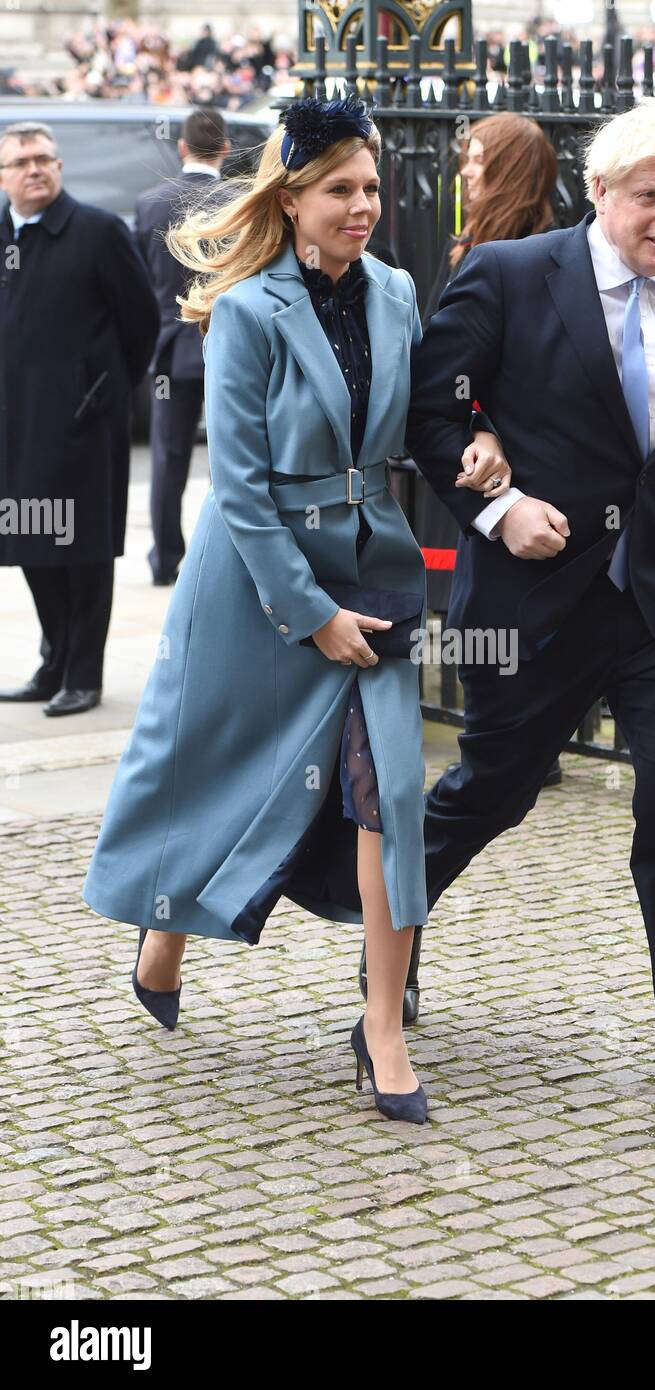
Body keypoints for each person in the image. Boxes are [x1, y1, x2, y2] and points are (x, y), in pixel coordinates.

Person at [80, 95, 508, 1124]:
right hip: (258, 583)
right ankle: (166, 931)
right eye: (339, 191)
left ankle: (384, 1027)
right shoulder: (245, 309)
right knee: (213, 774)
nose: (362, 206)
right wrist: (309, 612)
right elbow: (238, 485)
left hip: (377, 571)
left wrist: (485, 444)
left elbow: (429, 414)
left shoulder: (400, 292)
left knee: (388, 794)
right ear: (291, 197)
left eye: (369, 189)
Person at [403, 97, 655, 1103]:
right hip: (531, 597)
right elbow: (430, 418)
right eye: (650, 196)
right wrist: (499, 511)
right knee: (491, 790)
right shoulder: (508, 276)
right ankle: (387, 955)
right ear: (599, 191)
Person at [360, 113, 559, 1020]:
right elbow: (446, 388)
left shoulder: (540, 253)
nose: (462, 177)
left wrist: (488, 420)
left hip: (557, 536)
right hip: (498, 527)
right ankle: (391, 958)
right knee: (489, 775)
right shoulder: (471, 251)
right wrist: (477, 423)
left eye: (475, 164)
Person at [0, 120, 158, 716]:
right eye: (21, 162)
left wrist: (106, 391)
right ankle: (53, 663)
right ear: (3, 176)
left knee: (82, 551)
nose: (35, 168)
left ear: (59, 167)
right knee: (31, 547)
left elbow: (141, 320)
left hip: (82, 422)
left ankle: (83, 675)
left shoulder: (96, 232)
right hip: (15, 424)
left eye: (45, 158)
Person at [134, 107, 231, 586]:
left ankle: (166, 559)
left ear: (182, 148)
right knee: (229, 457)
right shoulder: (238, 199)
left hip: (171, 348)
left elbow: (142, 283)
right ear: (226, 148)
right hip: (226, 347)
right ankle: (220, 557)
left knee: (168, 459)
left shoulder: (151, 202)